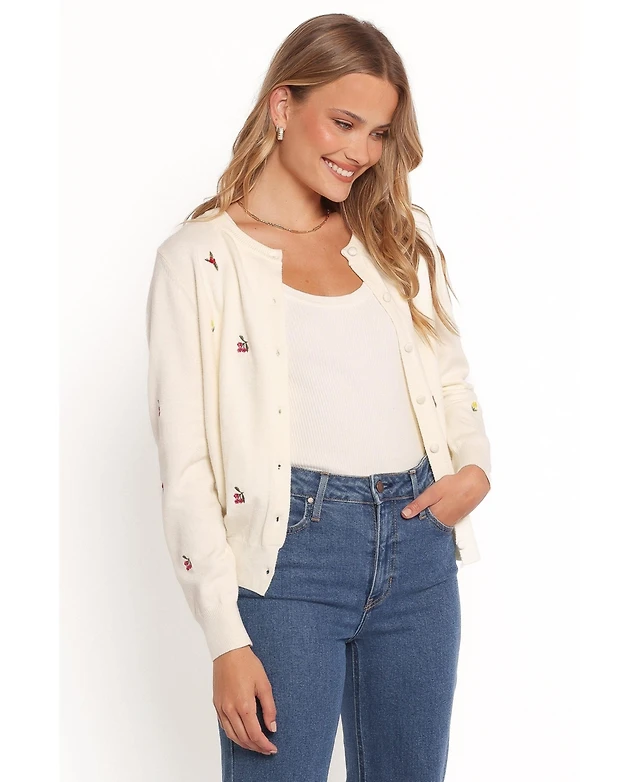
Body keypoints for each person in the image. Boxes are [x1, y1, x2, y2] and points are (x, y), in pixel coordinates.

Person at [145, 12, 491, 782]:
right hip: (288, 561)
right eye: (343, 122)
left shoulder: (389, 240)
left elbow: (450, 379)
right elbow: (187, 465)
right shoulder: (200, 259)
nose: (361, 152)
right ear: (282, 105)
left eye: (379, 133)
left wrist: (473, 468)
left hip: (419, 554)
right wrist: (225, 639)